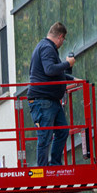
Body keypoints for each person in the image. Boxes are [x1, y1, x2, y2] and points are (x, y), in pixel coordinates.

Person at [28, 22, 76, 166]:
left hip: (51, 100)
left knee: (62, 131)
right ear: (60, 37)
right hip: (43, 100)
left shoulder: (46, 48)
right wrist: (68, 64)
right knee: (45, 136)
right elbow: (50, 69)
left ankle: (55, 164)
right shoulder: (47, 48)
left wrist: (73, 79)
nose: (62, 43)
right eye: (63, 40)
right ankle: (43, 169)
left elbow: (53, 73)